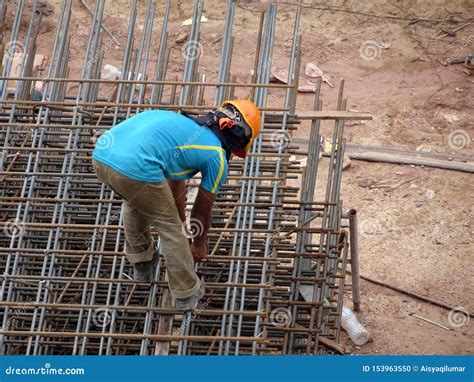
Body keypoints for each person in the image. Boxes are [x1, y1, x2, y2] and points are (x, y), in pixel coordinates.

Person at [91, 100, 261, 310]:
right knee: (169, 228)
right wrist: (197, 244)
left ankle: (143, 265)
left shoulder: (184, 126)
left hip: (102, 157)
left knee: (135, 201)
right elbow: (201, 211)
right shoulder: (216, 155)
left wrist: (181, 219)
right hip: (136, 166)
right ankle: (186, 293)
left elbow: (175, 181)